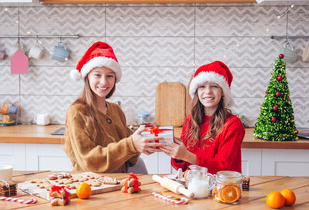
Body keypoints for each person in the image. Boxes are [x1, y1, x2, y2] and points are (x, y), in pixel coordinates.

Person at [64, 41, 164, 173]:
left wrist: (142, 144)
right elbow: (88, 160)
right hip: (90, 186)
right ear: (87, 77)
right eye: (97, 75)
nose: (104, 82)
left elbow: (129, 154)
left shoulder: (115, 110)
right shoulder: (77, 112)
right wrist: (132, 144)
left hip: (120, 183)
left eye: (109, 76)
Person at [161, 61, 245, 174]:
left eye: (214, 86)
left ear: (223, 92)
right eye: (202, 87)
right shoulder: (191, 120)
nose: (208, 91)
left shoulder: (233, 124)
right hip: (194, 185)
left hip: (222, 188)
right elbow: (181, 167)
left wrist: (186, 155)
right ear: (197, 91)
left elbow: (223, 167)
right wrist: (178, 155)